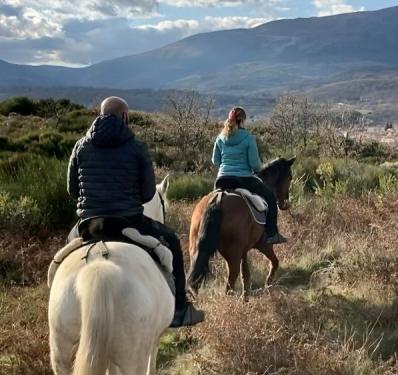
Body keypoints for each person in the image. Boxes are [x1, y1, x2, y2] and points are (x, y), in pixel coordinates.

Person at [67, 96, 204, 327]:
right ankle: (180, 311)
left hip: (89, 223)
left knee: (63, 258)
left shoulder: (81, 145)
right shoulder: (136, 147)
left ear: (100, 114)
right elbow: (148, 193)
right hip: (127, 222)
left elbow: (72, 190)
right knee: (171, 241)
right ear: (125, 116)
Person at [212, 107, 288, 245]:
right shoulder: (248, 138)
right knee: (270, 198)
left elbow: (215, 161)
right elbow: (255, 165)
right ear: (242, 121)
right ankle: (272, 234)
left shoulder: (220, 138)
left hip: (222, 179)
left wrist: (226, 167)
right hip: (243, 179)